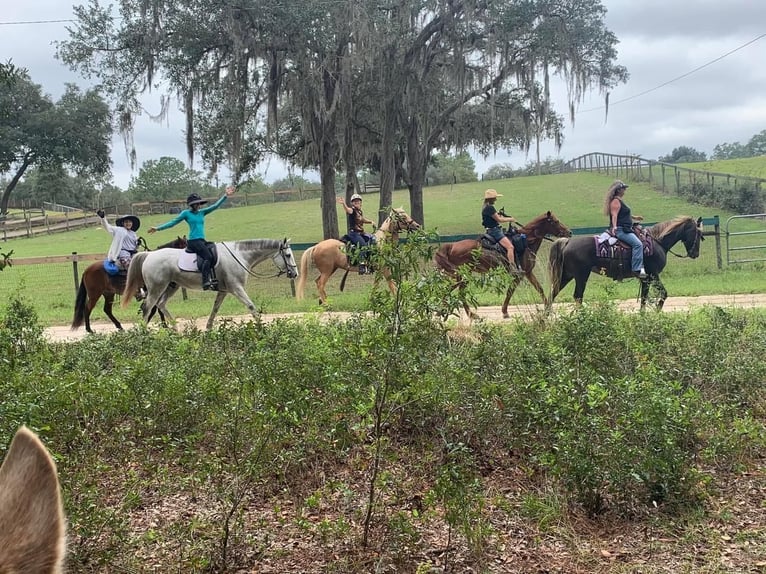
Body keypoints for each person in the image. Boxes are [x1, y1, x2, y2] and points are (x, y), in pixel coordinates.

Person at [148, 186, 236, 290]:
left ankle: (214, 277)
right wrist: (158, 228)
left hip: (202, 240)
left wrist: (225, 195)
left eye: (199, 203)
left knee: (213, 251)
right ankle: (205, 281)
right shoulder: (186, 213)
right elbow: (173, 223)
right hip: (194, 241)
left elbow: (215, 206)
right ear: (191, 205)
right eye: (196, 203)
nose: (198, 205)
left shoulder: (202, 212)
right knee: (207, 256)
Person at [605, 179, 646, 278]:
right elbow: (614, 215)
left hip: (626, 228)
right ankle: (636, 269)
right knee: (638, 244)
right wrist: (614, 227)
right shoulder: (615, 201)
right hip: (621, 230)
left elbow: (623, 214)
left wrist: (635, 217)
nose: (625, 191)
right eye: (624, 189)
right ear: (619, 190)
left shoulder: (619, 201)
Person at [481, 188, 524, 275]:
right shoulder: (490, 208)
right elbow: (499, 220)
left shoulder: (486, 207)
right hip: (495, 231)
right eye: (495, 198)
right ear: (491, 199)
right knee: (510, 247)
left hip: (490, 230)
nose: (496, 199)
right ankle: (513, 268)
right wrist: (510, 219)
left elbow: (494, 217)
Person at [337, 193, 377, 274]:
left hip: (361, 233)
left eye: (358, 202)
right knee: (364, 247)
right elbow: (348, 210)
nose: (357, 203)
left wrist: (371, 221)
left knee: (372, 239)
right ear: (352, 203)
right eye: (355, 202)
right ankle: (361, 266)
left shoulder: (360, 212)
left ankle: (370, 263)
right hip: (354, 234)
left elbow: (362, 219)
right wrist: (344, 204)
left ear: (361, 203)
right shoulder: (353, 210)